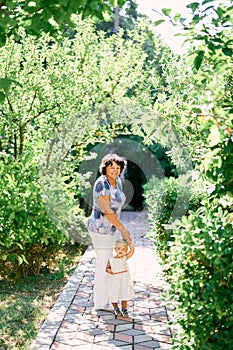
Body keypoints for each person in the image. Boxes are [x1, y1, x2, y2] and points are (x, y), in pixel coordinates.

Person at [87, 153, 132, 310]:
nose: (114, 170)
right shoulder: (102, 183)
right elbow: (106, 209)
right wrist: (123, 229)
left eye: (118, 167)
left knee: (107, 263)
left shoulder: (117, 181)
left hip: (110, 230)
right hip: (100, 229)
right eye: (111, 167)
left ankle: (107, 298)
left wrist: (118, 227)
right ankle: (100, 303)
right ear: (105, 168)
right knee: (103, 264)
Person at [106, 239, 135, 317]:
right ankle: (116, 308)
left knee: (124, 294)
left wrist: (130, 244)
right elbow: (107, 267)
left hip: (124, 279)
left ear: (126, 250)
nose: (120, 251)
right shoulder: (111, 260)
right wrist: (109, 270)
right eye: (118, 248)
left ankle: (124, 309)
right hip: (115, 280)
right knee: (114, 294)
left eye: (123, 249)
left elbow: (132, 251)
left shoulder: (125, 258)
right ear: (115, 249)